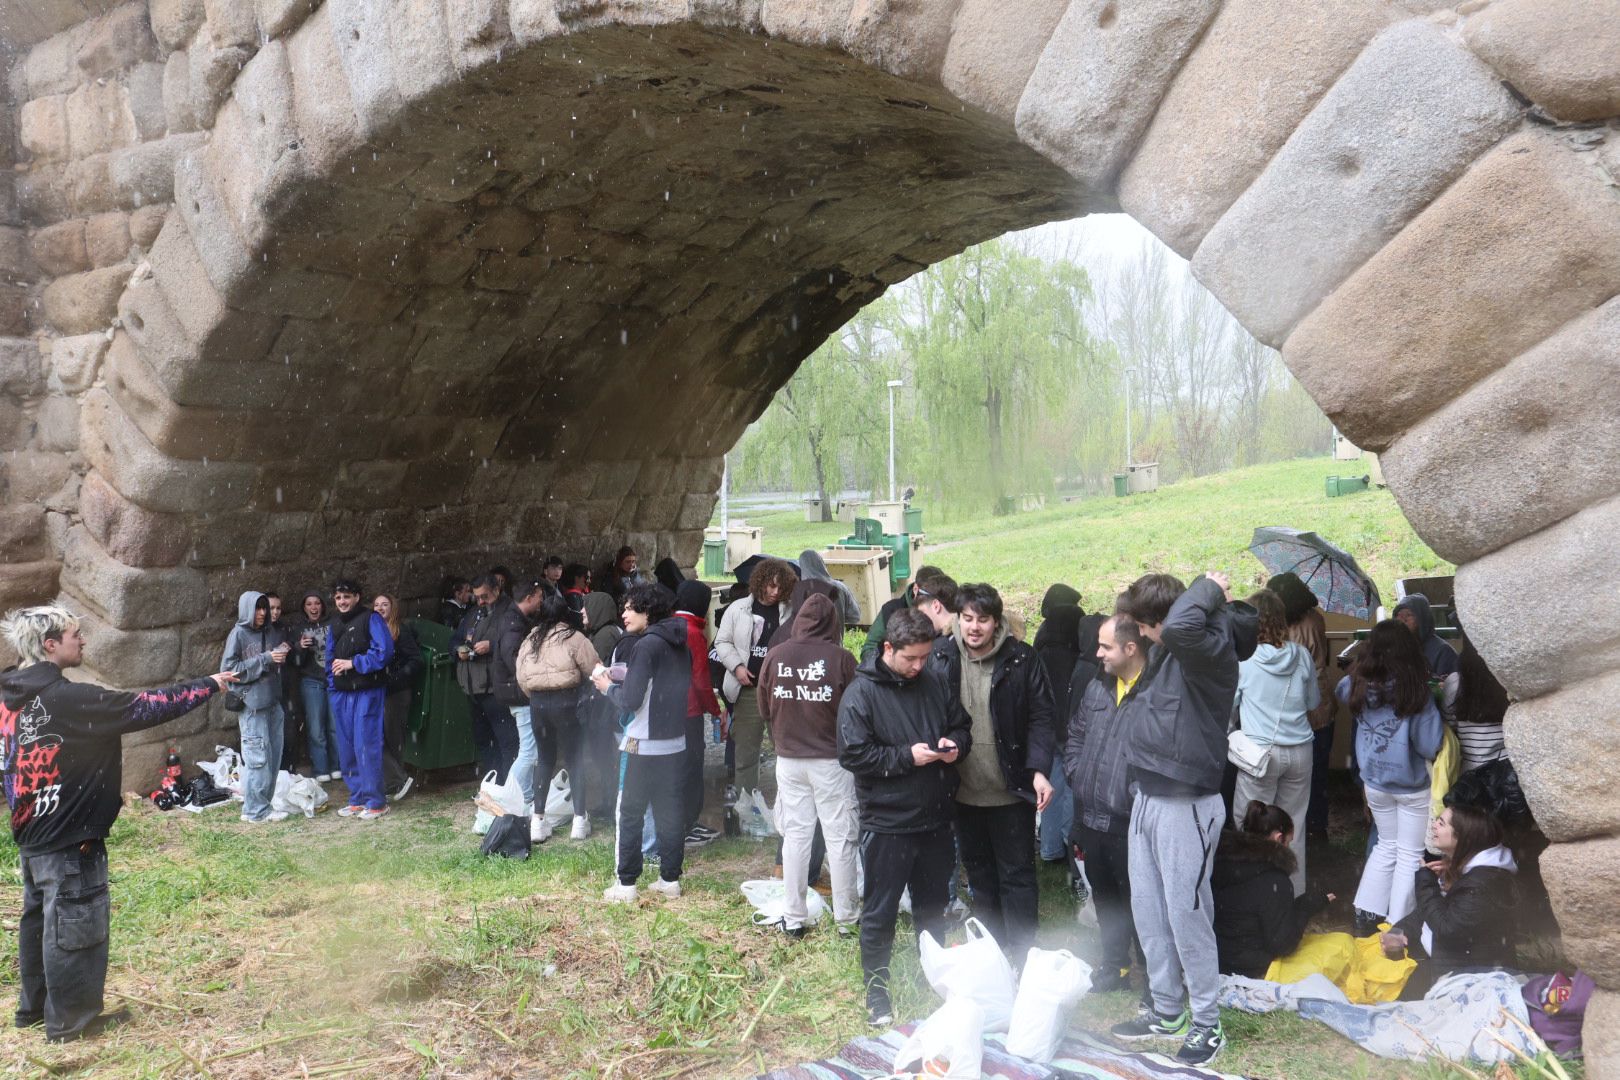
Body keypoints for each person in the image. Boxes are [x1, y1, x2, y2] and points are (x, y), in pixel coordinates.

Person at [1, 605, 234, 1042]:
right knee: (75, 926)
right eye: (75, 635)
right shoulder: (68, 699)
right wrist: (209, 685)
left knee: (40, 924)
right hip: (70, 836)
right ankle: (73, 1024)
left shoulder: (9, 697)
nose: (83, 640)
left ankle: (33, 1010)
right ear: (50, 645)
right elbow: (144, 707)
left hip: (33, 835)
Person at [1110, 571, 1257, 1068]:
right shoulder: (1174, 646)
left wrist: (1209, 586)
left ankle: (1207, 1023)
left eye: (1145, 627)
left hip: (1186, 805)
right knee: (1150, 914)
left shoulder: (1205, 650)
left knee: (1187, 917)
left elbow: (1177, 629)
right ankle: (1167, 1009)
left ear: (1162, 622)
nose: (1142, 639)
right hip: (1149, 797)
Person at [838, 608, 972, 1027]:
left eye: (925, 657)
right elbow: (853, 754)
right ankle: (877, 991)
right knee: (879, 912)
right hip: (888, 823)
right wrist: (905, 757)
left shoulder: (934, 679)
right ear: (888, 648)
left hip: (935, 818)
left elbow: (962, 725)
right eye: (911, 659)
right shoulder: (861, 694)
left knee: (932, 909)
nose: (919, 666)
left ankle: (932, 978)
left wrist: (956, 745)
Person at [928, 583, 1056, 962]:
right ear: (957, 619)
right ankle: (992, 951)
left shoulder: (1021, 659)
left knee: (1016, 874)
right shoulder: (941, 656)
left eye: (983, 620)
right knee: (980, 875)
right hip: (961, 790)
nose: (974, 627)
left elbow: (1043, 717)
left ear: (996, 622)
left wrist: (1038, 770)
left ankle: (1022, 954)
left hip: (1009, 788)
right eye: (967, 619)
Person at [758, 594, 859, 937]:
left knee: (796, 837)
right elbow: (856, 711)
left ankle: (794, 918)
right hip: (831, 761)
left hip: (788, 761)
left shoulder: (776, 656)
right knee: (840, 838)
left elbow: (764, 706)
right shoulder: (842, 659)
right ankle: (846, 920)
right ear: (833, 623)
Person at [1342, 619, 1445, 931]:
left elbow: (1342, 690)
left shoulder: (1355, 685)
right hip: (1411, 786)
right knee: (1410, 854)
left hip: (1374, 783)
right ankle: (1398, 926)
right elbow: (1430, 745)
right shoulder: (1415, 692)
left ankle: (1365, 916)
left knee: (1385, 845)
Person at [592, 583, 691, 903]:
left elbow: (632, 700)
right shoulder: (680, 641)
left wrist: (606, 686)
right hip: (673, 742)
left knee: (629, 812)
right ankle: (669, 879)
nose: (624, 613)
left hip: (642, 743)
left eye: (630, 607)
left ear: (648, 611)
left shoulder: (645, 646)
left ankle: (626, 884)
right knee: (669, 812)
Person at [1064, 614, 1147, 993]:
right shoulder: (1098, 688)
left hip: (1131, 824)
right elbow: (1075, 736)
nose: (1097, 654)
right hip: (1092, 817)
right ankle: (1116, 967)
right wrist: (1077, 775)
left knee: (1141, 902)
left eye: (1105, 646)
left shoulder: (1153, 694)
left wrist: (1130, 795)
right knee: (1107, 898)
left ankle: (1153, 974)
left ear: (1131, 648)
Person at [1382, 803, 1518, 999]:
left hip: (1465, 980)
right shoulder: (1463, 867)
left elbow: (1446, 926)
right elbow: (1431, 910)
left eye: (1442, 823)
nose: (1434, 825)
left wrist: (1426, 883)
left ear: (1463, 837)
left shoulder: (1483, 883)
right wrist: (1401, 930)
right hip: (1440, 961)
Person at [1233, 589, 1319, 894]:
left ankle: (1256, 894)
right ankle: (1291, 895)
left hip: (1259, 754)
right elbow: (1313, 702)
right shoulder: (1302, 656)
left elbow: (1231, 708)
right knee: (1292, 824)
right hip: (1300, 751)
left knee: (1254, 828)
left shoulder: (1244, 661)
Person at [1212, 802, 1334, 978]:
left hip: (1215, 959)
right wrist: (1306, 905)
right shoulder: (1274, 880)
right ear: (1279, 838)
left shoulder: (1220, 860)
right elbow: (1282, 944)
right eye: (1289, 842)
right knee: (1336, 950)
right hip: (1251, 968)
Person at [516, 593, 599, 843]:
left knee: (544, 761)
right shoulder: (574, 638)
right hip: (568, 702)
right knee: (575, 760)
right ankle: (579, 821)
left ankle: (538, 822)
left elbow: (521, 677)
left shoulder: (530, 640)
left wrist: (538, 696)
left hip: (539, 704)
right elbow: (594, 669)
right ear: (566, 614)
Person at [714, 557, 797, 796]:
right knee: (746, 749)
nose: (775, 592)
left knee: (786, 748)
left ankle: (788, 803)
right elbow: (722, 641)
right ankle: (745, 804)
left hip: (779, 689)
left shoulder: (790, 611)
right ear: (760, 582)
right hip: (748, 689)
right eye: (771, 586)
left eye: (781, 587)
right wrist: (737, 667)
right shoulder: (737, 608)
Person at [1267, 573, 1337, 840]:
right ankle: (1317, 827)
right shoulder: (1316, 619)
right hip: (1323, 703)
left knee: (1293, 779)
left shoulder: (1286, 630)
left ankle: (1290, 830)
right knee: (1318, 773)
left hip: (1297, 708)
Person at [1032, 584, 1097, 863]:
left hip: (1047, 726)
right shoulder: (1068, 648)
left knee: (1051, 787)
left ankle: (1049, 848)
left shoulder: (1043, 639)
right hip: (1067, 727)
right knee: (1071, 788)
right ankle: (1069, 846)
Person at [221, 591, 292, 824]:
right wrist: (266, 659)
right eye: (258, 608)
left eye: (265, 608)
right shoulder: (238, 634)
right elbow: (230, 671)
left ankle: (264, 806)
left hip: (272, 703)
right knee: (257, 759)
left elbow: (270, 658)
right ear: (247, 610)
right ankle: (254, 811)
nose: (263, 613)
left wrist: (280, 652)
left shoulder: (270, 631)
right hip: (252, 707)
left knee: (273, 756)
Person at [327, 580, 394, 820]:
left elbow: (384, 653)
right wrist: (333, 690)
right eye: (338, 598)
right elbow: (329, 660)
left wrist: (354, 663)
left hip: (367, 691)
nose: (342, 602)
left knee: (366, 744)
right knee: (347, 747)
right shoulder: (335, 623)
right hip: (343, 693)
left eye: (346, 597)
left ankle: (376, 801)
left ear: (357, 597)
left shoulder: (371, 619)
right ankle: (357, 798)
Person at [455, 576, 519, 783]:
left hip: (496, 687)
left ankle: (509, 784)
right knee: (484, 739)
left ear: (497, 590)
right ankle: (494, 781)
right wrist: (458, 649)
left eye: (485, 596)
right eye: (477, 597)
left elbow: (517, 640)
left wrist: (492, 645)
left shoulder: (510, 612)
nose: (481, 601)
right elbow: (455, 638)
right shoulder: (474, 613)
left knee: (506, 740)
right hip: (474, 687)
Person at [673, 580, 722, 844]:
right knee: (691, 766)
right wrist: (714, 710)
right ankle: (688, 822)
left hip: (666, 708)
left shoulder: (667, 625)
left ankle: (672, 821)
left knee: (673, 765)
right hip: (689, 710)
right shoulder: (694, 633)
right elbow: (701, 679)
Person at [493, 581, 544, 814]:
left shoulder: (513, 619)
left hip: (514, 690)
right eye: (540, 597)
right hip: (518, 692)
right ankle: (507, 798)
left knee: (528, 750)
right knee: (529, 751)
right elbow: (514, 659)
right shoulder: (514, 623)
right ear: (530, 596)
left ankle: (524, 798)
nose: (541, 602)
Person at [373, 594, 422, 802]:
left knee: (394, 738)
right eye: (376, 605)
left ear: (392, 608)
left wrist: (396, 678)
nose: (380, 608)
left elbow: (416, 660)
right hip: (377, 691)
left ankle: (397, 782)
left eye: (385, 604)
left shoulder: (400, 631)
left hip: (397, 692)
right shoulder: (372, 630)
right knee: (377, 737)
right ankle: (395, 781)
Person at [583, 590, 626, 817]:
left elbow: (596, 668)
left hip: (604, 703)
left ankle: (611, 803)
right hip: (605, 702)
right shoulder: (606, 632)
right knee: (607, 755)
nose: (582, 612)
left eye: (586, 607)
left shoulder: (604, 635)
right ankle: (610, 801)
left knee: (604, 754)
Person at [290, 591, 339, 783]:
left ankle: (337, 766)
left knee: (335, 726)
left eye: (317, 603)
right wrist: (300, 647)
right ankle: (320, 769)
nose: (314, 607)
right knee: (315, 728)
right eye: (309, 604)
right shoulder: (299, 628)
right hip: (311, 681)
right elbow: (296, 662)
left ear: (322, 605)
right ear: (304, 607)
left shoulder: (333, 624)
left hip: (334, 680)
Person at [1441, 637, 1509, 775]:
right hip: (1506, 770)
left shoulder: (1454, 682)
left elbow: (1449, 723)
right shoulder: (1507, 681)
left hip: (1469, 772)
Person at [859, 565, 949, 664]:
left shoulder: (943, 612)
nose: (933, 604)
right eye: (928, 596)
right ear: (915, 589)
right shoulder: (891, 610)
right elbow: (868, 650)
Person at [268, 593, 303, 773]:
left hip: (286, 687)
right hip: (265, 690)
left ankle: (287, 771)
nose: (275, 612)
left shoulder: (285, 628)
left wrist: (295, 647)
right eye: (271, 608)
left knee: (289, 732)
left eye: (278, 608)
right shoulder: (255, 631)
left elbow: (294, 655)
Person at [1393, 594, 1459, 678]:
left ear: (1422, 620)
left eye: (1409, 615)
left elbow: (1447, 686)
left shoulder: (1443, 651)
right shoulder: (1393, 648)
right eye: (1399, 615)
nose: (1403, 620)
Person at [797, 549, 862, 627]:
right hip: (836, 638)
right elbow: (855, 616)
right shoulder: (841, 587)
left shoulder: (800, 592)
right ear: (822, 564)